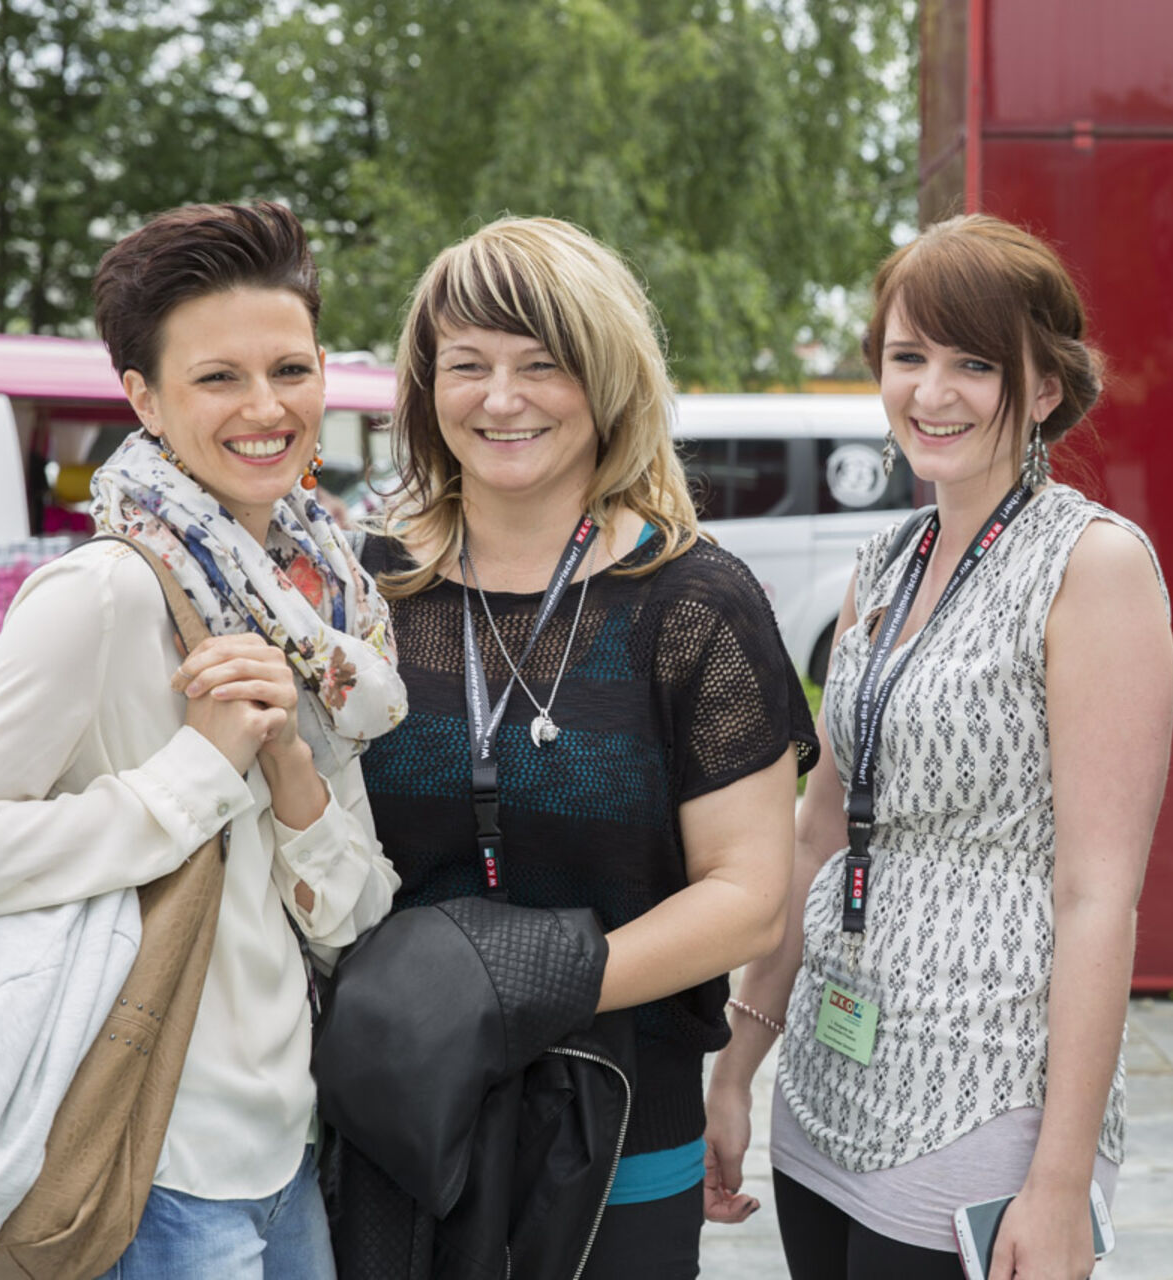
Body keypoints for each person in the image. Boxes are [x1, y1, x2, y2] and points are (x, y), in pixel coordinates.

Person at [0, 201, 406, 1277]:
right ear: (144, 398)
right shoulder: (105, 593)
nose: (266, 407)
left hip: (287, 1151)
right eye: (219, 377)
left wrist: (289, 764)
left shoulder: (322, 604)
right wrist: (194, 773)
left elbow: (353, 922)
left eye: (290, 369)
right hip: (146, 1165)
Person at [705, 213, 1173, 1280]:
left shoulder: (1091, 566)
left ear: (1044, 386)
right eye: (908, 355)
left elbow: (1098, 894)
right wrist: (737, 1065)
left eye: (975, 363)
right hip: (827, 1076)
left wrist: (1060, 1183)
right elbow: (821, 834)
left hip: (984, 1095)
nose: (933, 391)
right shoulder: (884, 561)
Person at [348, 215, 817, 1279]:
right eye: (467, 365)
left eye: (540, 365)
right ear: (426, 388)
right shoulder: (365, 592)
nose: (500, 399)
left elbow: (749, 896)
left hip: (621, 1135)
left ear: (606, 381)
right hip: (392, 1118)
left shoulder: (695, 604)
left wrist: (521, 986)